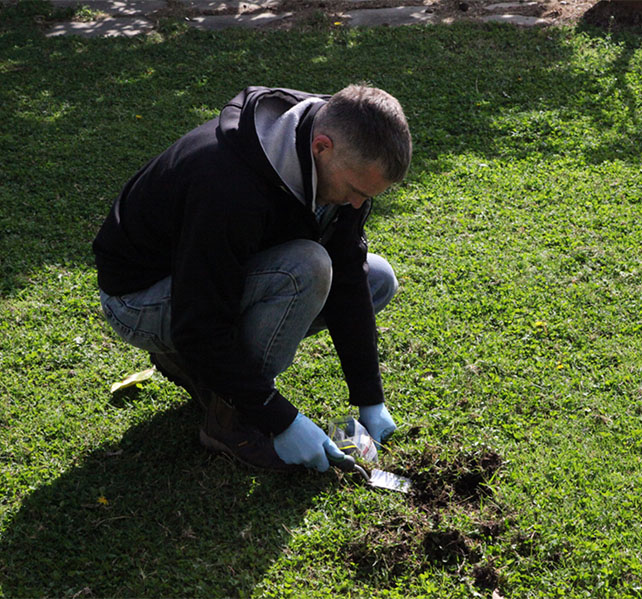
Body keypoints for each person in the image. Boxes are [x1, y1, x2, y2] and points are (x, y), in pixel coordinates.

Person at [93, 85, 412, 473]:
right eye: (356, 191)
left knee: (377, 278)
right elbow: (199, 325)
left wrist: (369, 399)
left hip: (202, 283)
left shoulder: (330, 146)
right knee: (307, 267)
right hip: (140, 298)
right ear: (322, 147)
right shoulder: (227, 185)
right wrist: (279, 419)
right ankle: (230, 421)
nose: (358, 205)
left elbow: (348, 268)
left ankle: (203, 370)